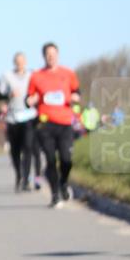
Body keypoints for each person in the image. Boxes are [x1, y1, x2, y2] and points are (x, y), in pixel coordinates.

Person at [27, 42, 81, 208]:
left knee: (66, 159)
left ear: (57, 55)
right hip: (45, 124)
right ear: (44, 56)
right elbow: (29, 97)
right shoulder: (36, 76)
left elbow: (77, 92)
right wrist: (31, 100)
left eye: (53, 54)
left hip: (65, 122)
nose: (51, 57)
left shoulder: (68, 73)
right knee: (50, 160)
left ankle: (63, 182)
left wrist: (76, 98)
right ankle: (55, 194)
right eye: (47, 54)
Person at [0, 52, 38, 192]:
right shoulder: (6, 76)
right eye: (17, 61)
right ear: (14, 62)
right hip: (12, 118)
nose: (20, 63)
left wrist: (35, 99)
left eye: (22, 61)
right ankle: (19, 174)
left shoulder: (32, 75)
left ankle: (26, 180)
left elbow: (39, 91)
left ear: (25, 62)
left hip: (28, 116)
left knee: (28, 148)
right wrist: (8, 95)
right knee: (15, 150)